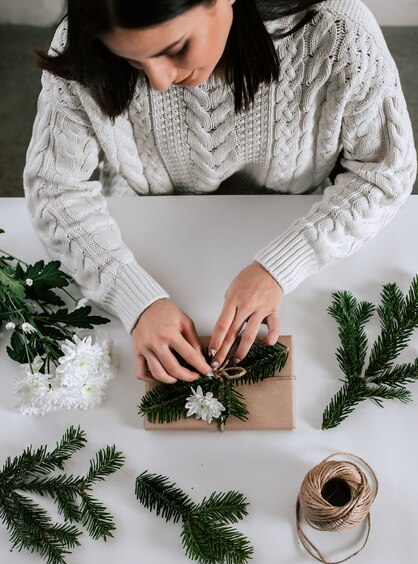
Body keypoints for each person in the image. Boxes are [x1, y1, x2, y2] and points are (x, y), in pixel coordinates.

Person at [24, 0, 416, 385]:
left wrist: (281, 267)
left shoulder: (339, 31)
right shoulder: (81, 42)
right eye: (132, 62)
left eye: (175, 49)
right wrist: (133, 298)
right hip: (143, 225)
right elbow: (55, 188)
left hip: (293, 216)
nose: (159, 81)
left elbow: (385, 171)